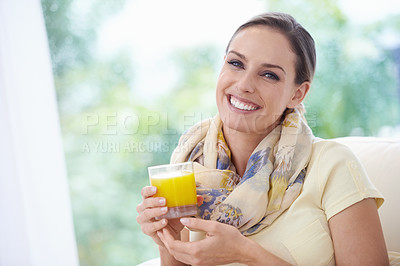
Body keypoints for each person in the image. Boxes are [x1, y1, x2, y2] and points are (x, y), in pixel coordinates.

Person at [136, 12, 390, 265]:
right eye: (236, 64)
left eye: (269, 75)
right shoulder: (189, 162)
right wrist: (168, 241)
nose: (244, 84)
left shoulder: (332, 165)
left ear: (297, 94)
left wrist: (247, 253)